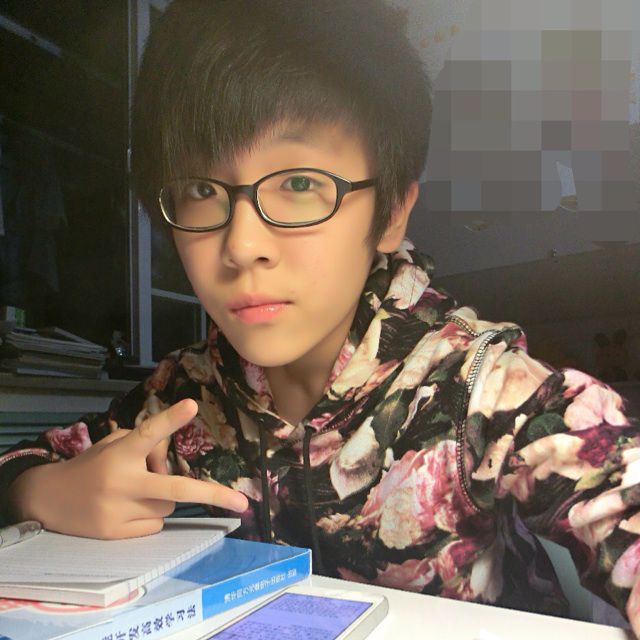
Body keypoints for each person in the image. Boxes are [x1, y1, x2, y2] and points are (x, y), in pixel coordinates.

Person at [1, 0, 639, 630]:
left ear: (391, 212)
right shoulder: (182, 396)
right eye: (201, 190)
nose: (241, 244)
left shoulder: (476, 387)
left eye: (299, 183)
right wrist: (41, 491)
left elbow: (619, 489)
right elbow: (27, 460)